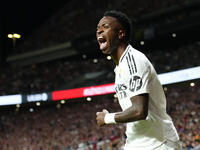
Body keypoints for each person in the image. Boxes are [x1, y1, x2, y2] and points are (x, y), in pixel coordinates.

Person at [96, 10, 182, 150]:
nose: (99, 31)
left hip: (159, 143)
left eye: (105, 27)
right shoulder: (120, 68)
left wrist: (107, 118)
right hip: (137, 143)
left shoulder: (133, 60)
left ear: (121, 34)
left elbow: (139, 111)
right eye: (98, 28)